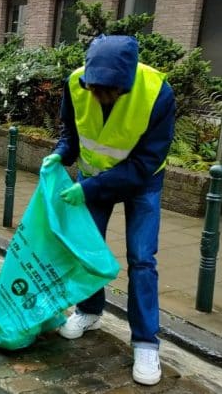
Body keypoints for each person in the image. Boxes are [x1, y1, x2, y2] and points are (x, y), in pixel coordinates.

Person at [42, 35, 175, 386]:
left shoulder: (157, 93)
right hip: (94, 176)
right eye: (94, 86)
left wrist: (87, 188)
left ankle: (146, 341)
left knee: (142, 258)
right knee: (87, 249)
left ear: (125, 84)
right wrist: (61, 153)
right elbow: (71, 133)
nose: (99, 93)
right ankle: (89, 310)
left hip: (142, 182)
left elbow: (145, 162)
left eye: (108, 89)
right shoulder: (76, 83)